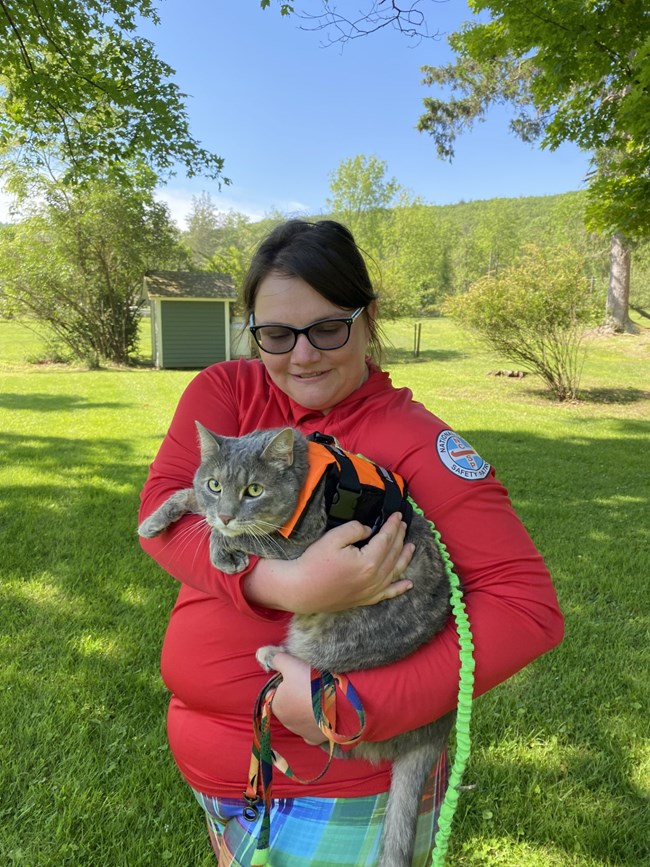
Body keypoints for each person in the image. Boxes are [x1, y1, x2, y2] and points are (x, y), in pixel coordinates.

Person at [138, 219, 564, 867]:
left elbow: (526, 607)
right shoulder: (228, 391)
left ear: (369, 320)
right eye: (276, 334)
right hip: (219, 771)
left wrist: (353, 706)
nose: (302, 356)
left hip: (340, 786)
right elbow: (162, 512)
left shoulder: (415, 441)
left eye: (328, 329)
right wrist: (283, 584)